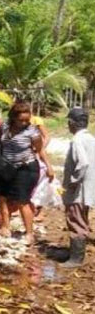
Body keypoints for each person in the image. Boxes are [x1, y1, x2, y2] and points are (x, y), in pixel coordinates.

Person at [0, 102, 54, 245]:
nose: (24, 123)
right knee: (1, 197)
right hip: (6, 167)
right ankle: (5, 227)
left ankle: (29, 234)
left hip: (26, 168)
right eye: (21, 120)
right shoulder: (5, 127)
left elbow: (40, 150)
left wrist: (49, 167)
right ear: (13, 117)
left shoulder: (32, 132)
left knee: (22, 201)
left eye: (27, 120)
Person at [60, 107, 95, 268]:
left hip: (78, 190)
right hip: (87, 189)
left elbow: (83, 163)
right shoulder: (90, 138)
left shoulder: (77, 140)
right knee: (81, 218)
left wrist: (73, 181)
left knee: (75, 220)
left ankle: (76, 258)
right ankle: (75, 253)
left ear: (71, 123)